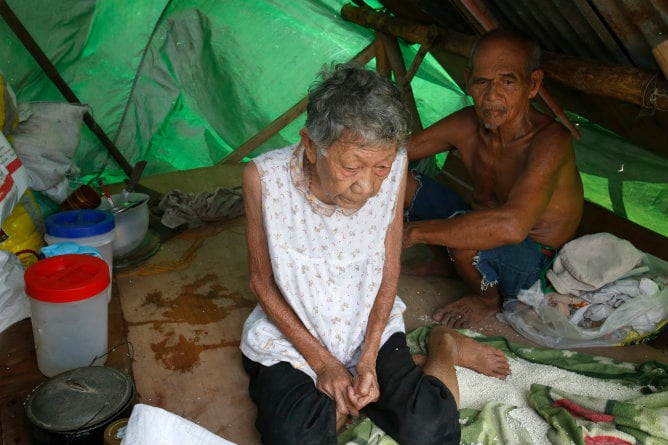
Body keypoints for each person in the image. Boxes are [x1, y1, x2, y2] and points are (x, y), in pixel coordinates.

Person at [240, 63, 510, 445]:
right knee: (294, 438)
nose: (367, 187)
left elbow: (388, 267)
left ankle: (442, 344)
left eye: (380, 168)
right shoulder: (263, 179)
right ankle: (355, 383)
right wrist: (324, 364)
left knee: (431, 429)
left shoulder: (396, 165)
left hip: (367, 327)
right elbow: (261, 282)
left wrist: (367, 358)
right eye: (351, 166)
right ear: (310, 146)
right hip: (293, 336)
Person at [403, 29, 584, 328]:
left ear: (533, 84)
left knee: (466, 244)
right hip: (481, 225)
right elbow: (394, 156)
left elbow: (512, 226)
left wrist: (415, 232)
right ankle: (448, 265)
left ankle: (487, 299)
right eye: (482, 82)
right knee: (400, 178)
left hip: (530, 260)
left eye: (508, 81)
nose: (492, 96)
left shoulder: (550, 141)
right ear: (468, 81)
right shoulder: (466, 123)